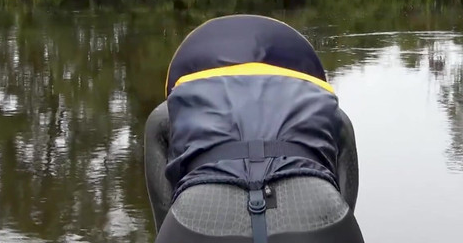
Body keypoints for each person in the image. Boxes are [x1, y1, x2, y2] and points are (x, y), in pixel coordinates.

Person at [144, 15, 365, 243]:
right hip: (318, 209)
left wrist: (167, 229)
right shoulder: (316, 97)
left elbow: (157, 125)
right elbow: (344, 137)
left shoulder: (181, 98)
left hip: (200, 214)